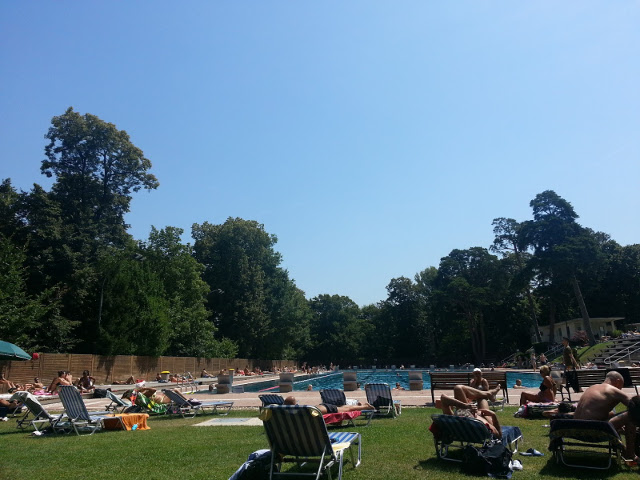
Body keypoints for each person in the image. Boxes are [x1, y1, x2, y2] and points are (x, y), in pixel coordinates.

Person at [573, 371, 640, 461]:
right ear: (618, 381)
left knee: (612, 414)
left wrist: (618, 422)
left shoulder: (592, 387)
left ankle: (622, 450)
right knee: (630, 416)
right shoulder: (612, 390)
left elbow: (595, 413)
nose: (621, 389)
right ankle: (630, 455)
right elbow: (635, 405)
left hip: (575, 428)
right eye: (621, 386)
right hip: (594, 430)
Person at [283, 396, 374, 414]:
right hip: (322, 407)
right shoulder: (300, 411)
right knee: (344, 408)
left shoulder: (284, 414)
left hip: (325, 408)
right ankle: (364, 406)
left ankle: (364, 406)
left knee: (345, 409)